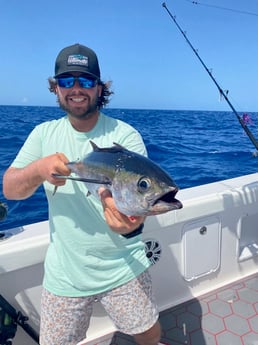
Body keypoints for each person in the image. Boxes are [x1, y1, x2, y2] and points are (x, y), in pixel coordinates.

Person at [3, 44, 162, 345]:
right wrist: (38, 169)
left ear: (100, 88)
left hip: (122, 265)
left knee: (149, 334)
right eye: (66, 81)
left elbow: (136, 208)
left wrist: (130, 225)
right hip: (65, 272)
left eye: (86, 81)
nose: (77, 89)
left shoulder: (125, 136)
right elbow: (10, 189)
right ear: (56, 89)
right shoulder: (42, 135)